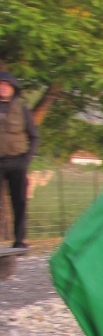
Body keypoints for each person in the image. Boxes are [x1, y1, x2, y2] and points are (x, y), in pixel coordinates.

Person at [0, 71, 39, 249]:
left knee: (19, 202)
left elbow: (34, 136)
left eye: (6, 85)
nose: (3, 88)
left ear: (13, 88)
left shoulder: (22, 109)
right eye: (0, 85)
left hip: (17, 161)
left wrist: (26, 159)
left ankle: (19, 240)